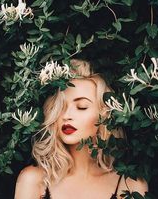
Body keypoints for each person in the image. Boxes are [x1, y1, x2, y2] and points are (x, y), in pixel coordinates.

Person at [14, 59, 148, 199]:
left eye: (81, 107)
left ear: (105, 116)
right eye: (61, 107)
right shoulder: (34, 180)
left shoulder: (129, 185)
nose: (66, 116)